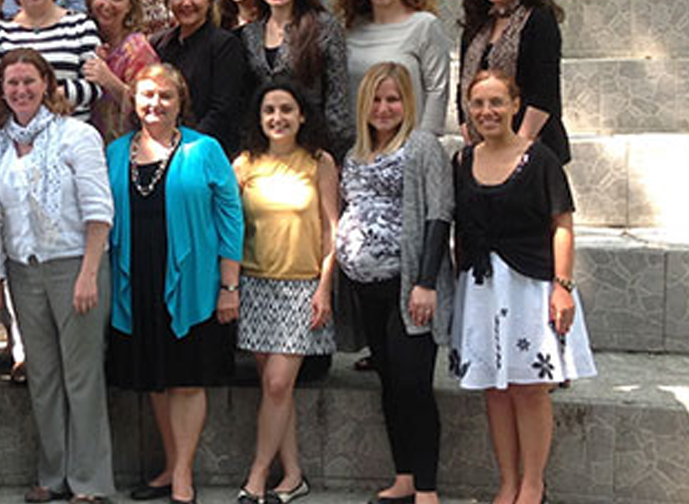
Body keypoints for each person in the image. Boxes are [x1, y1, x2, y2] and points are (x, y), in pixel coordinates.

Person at [451, 70, 595, 504]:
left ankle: (533, 485)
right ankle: (508, 482)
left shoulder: (541, 160)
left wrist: (562, 286)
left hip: (530, 288)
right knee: (495, 390)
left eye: (497, 102)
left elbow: (562, 224)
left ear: (515, 105)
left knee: (529, 389)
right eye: (478, 103)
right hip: (481, 290)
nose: (487, 111)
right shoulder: (461, 161)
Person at [0, 48, 114, 503]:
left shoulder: (77, 135)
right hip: (23, 270)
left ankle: (89, 481)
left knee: (82, 375)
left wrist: (89, 272)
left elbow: (99, 209)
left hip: (75, 264)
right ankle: (53, 474)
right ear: (1, 90)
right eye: (12, 83)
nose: (21, 90)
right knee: (42, 375)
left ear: (47, 85)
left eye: (29, 81)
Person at [105, 65, 243, 504]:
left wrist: (229, 286)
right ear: (133, 101)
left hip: (193, 284)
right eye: (147, 94)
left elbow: (231, 217)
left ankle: (183, 473)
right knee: (157, 379)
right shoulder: (115, 152)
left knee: (186, 380)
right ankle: (168, 465)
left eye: (166, 95)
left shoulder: (205, 150)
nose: (155, 103)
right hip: (137, 280)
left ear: (181, 101)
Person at [333, 63, 453, 504]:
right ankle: (404, 476)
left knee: (412, 385)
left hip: (409, 287)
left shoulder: (422, 146)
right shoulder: (354, 153)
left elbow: (439, 213)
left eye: (393, 99)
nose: (384, 108)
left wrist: (426, 282)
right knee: (389, 383)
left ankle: (427, 489)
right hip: (367, 290)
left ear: (408, 102)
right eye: (376, 100)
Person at [233, 81, 338, 504]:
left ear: (302, 115)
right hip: (255, 285)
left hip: (302, 287)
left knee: (277, 384)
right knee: (276, 389)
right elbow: (229, 227)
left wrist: (325, 288)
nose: (278, 118)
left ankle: (257, 476)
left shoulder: (319, 162)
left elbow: (332, 230)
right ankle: (292, 476)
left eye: (286, 109)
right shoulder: (244, 164)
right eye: (269, 110)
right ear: (259, 118)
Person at [458, 0, 570, 165]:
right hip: (484, 146)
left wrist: (517, 149)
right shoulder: (477, 23)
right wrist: (474, 144)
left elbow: (544, 91)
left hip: (532, 147)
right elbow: (464, 87)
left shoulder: (539, 19)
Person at [241, 0, 353, 161]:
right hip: (267, 151)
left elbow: (338, 100)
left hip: (314, 149)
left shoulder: (324, 27)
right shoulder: (250, 33)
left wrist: (332, 155)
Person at [334, 0, 451, 134]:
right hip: (359, 144)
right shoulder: (348, 28)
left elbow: (437, 90)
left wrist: (425, 143)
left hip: (409, 143)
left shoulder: (425, 26)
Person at [152, 0, 253, 158]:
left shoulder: (225, 45)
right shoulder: (159, 45)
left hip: (207, 152)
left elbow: (223, 111)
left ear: (210, 0)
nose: (186, 2)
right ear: (168, 1)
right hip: (162, 151)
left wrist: (183, 149)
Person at [82, 0, 160, 142]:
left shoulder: (138, 49)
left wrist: (109, 80)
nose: (107, 4)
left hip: (125, 145)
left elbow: (150, 105)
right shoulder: (81, 38)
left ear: (129, 6)